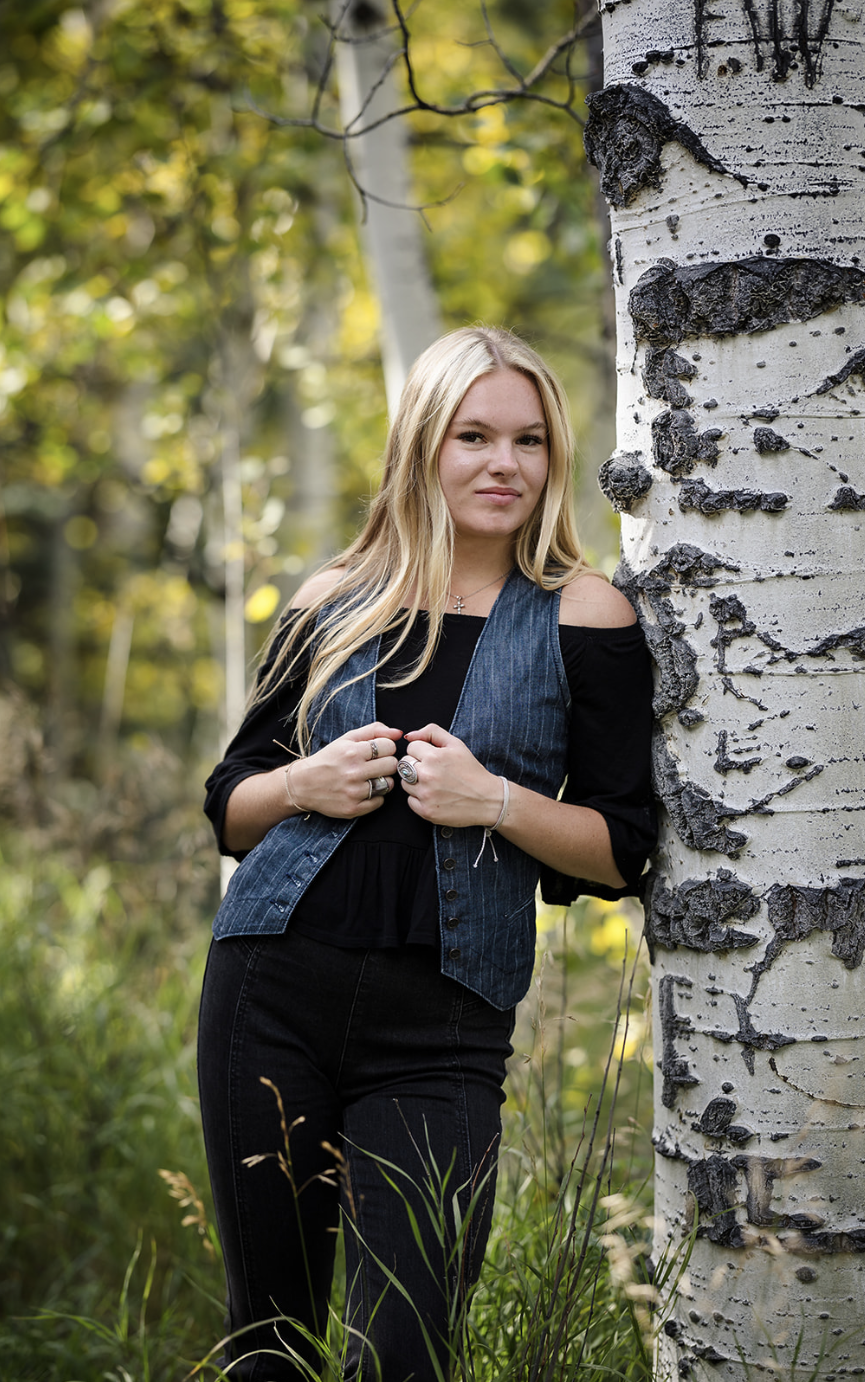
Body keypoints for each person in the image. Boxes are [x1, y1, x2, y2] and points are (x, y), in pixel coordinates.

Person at [199, 325, 656, 1381]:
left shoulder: (584, 613)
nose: (506, 464)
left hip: (442, 1026)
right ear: (422, 445)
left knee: (404, 1348)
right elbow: (230, 808)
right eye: (474, 436)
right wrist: (304, 783)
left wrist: (493, 800)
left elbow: (622, 849)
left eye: (530, 440)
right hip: (269, 993)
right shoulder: (331, 599)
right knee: (268, 1343)